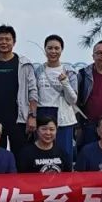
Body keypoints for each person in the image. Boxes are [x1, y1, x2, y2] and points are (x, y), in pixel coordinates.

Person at [0, 24, 38, 151]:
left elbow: (33, 92)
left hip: (19, 120)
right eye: (0, 39)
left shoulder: (24, 64)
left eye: (7, 39)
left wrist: (32, 116)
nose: (4, 42)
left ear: (14, 42)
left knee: (21, 155)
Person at [34, 34, 80, 165]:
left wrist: (65, 82)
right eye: (50, 48)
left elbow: (73, 100)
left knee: (64, 154)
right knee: (42, 154)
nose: (53, 51)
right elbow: (33, 95)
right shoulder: (38, 71)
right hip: (43, 116)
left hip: (63, 119)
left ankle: (66, 177)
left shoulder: (69, 71)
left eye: (56, 48)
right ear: (45, 49)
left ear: (61, 50)